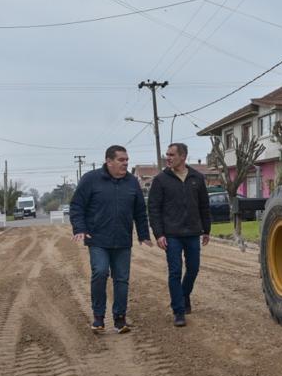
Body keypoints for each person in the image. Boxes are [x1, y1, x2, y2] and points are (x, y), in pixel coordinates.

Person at [70, 145, 151, 334]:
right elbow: (77, 206)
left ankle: (120, 319)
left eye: (126, 159)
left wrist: (143, 234)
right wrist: (80, 228)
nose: (125, 163)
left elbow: (140, 211)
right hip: (98, 239)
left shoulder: (132, 182)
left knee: (122, 279)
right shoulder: (91, 180)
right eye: (121, 160)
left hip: (122, 240)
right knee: (100, 272)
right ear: (109, 161)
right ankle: (98, 318)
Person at [148, 142, 210, 327]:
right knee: (175, 271)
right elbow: (153, 209)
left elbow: (204, 206)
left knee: (193, 269)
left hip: (192, 233)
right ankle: (179, 311)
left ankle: (183, 296)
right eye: (167, 154)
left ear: (183, 156)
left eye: (171, 154)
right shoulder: (160, 180)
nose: (168, 157)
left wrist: (206, 230)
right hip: (171, 234)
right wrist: (159, 234)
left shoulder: (197, 178)